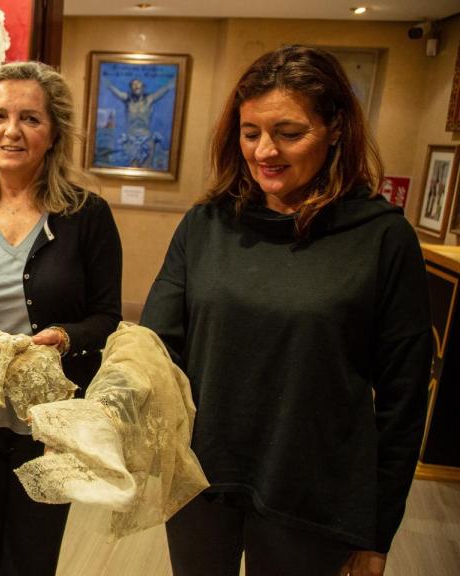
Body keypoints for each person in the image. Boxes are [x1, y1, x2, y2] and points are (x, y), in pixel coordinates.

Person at [140, 45, 431, 576]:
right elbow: (155, 349)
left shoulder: (382, 238)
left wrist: (377, 530)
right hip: (198, 483)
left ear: (336, 127)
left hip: (312, 498)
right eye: (250, 133)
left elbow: (403, 403)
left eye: (289, 133)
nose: (264, 151)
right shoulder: (206, 225)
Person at [0, 61, 122, 575]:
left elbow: (106, 317)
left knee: (33, 553)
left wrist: (63, 338)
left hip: (51, 420)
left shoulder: (87, 216)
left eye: (30, 118)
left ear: (53, 132)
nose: (11, 131)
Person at [104, 76, 175, 167]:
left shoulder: (149, 99)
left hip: (147, 139)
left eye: (138, 83)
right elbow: (114, 90)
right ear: (131, 88)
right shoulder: (127, 100)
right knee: (133, 168)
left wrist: (175, 80)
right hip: (132, 139)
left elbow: (165, 89)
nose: (136, 85)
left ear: (143, 87)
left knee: (146, 169)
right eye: (133, 84)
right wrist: (106, 82)